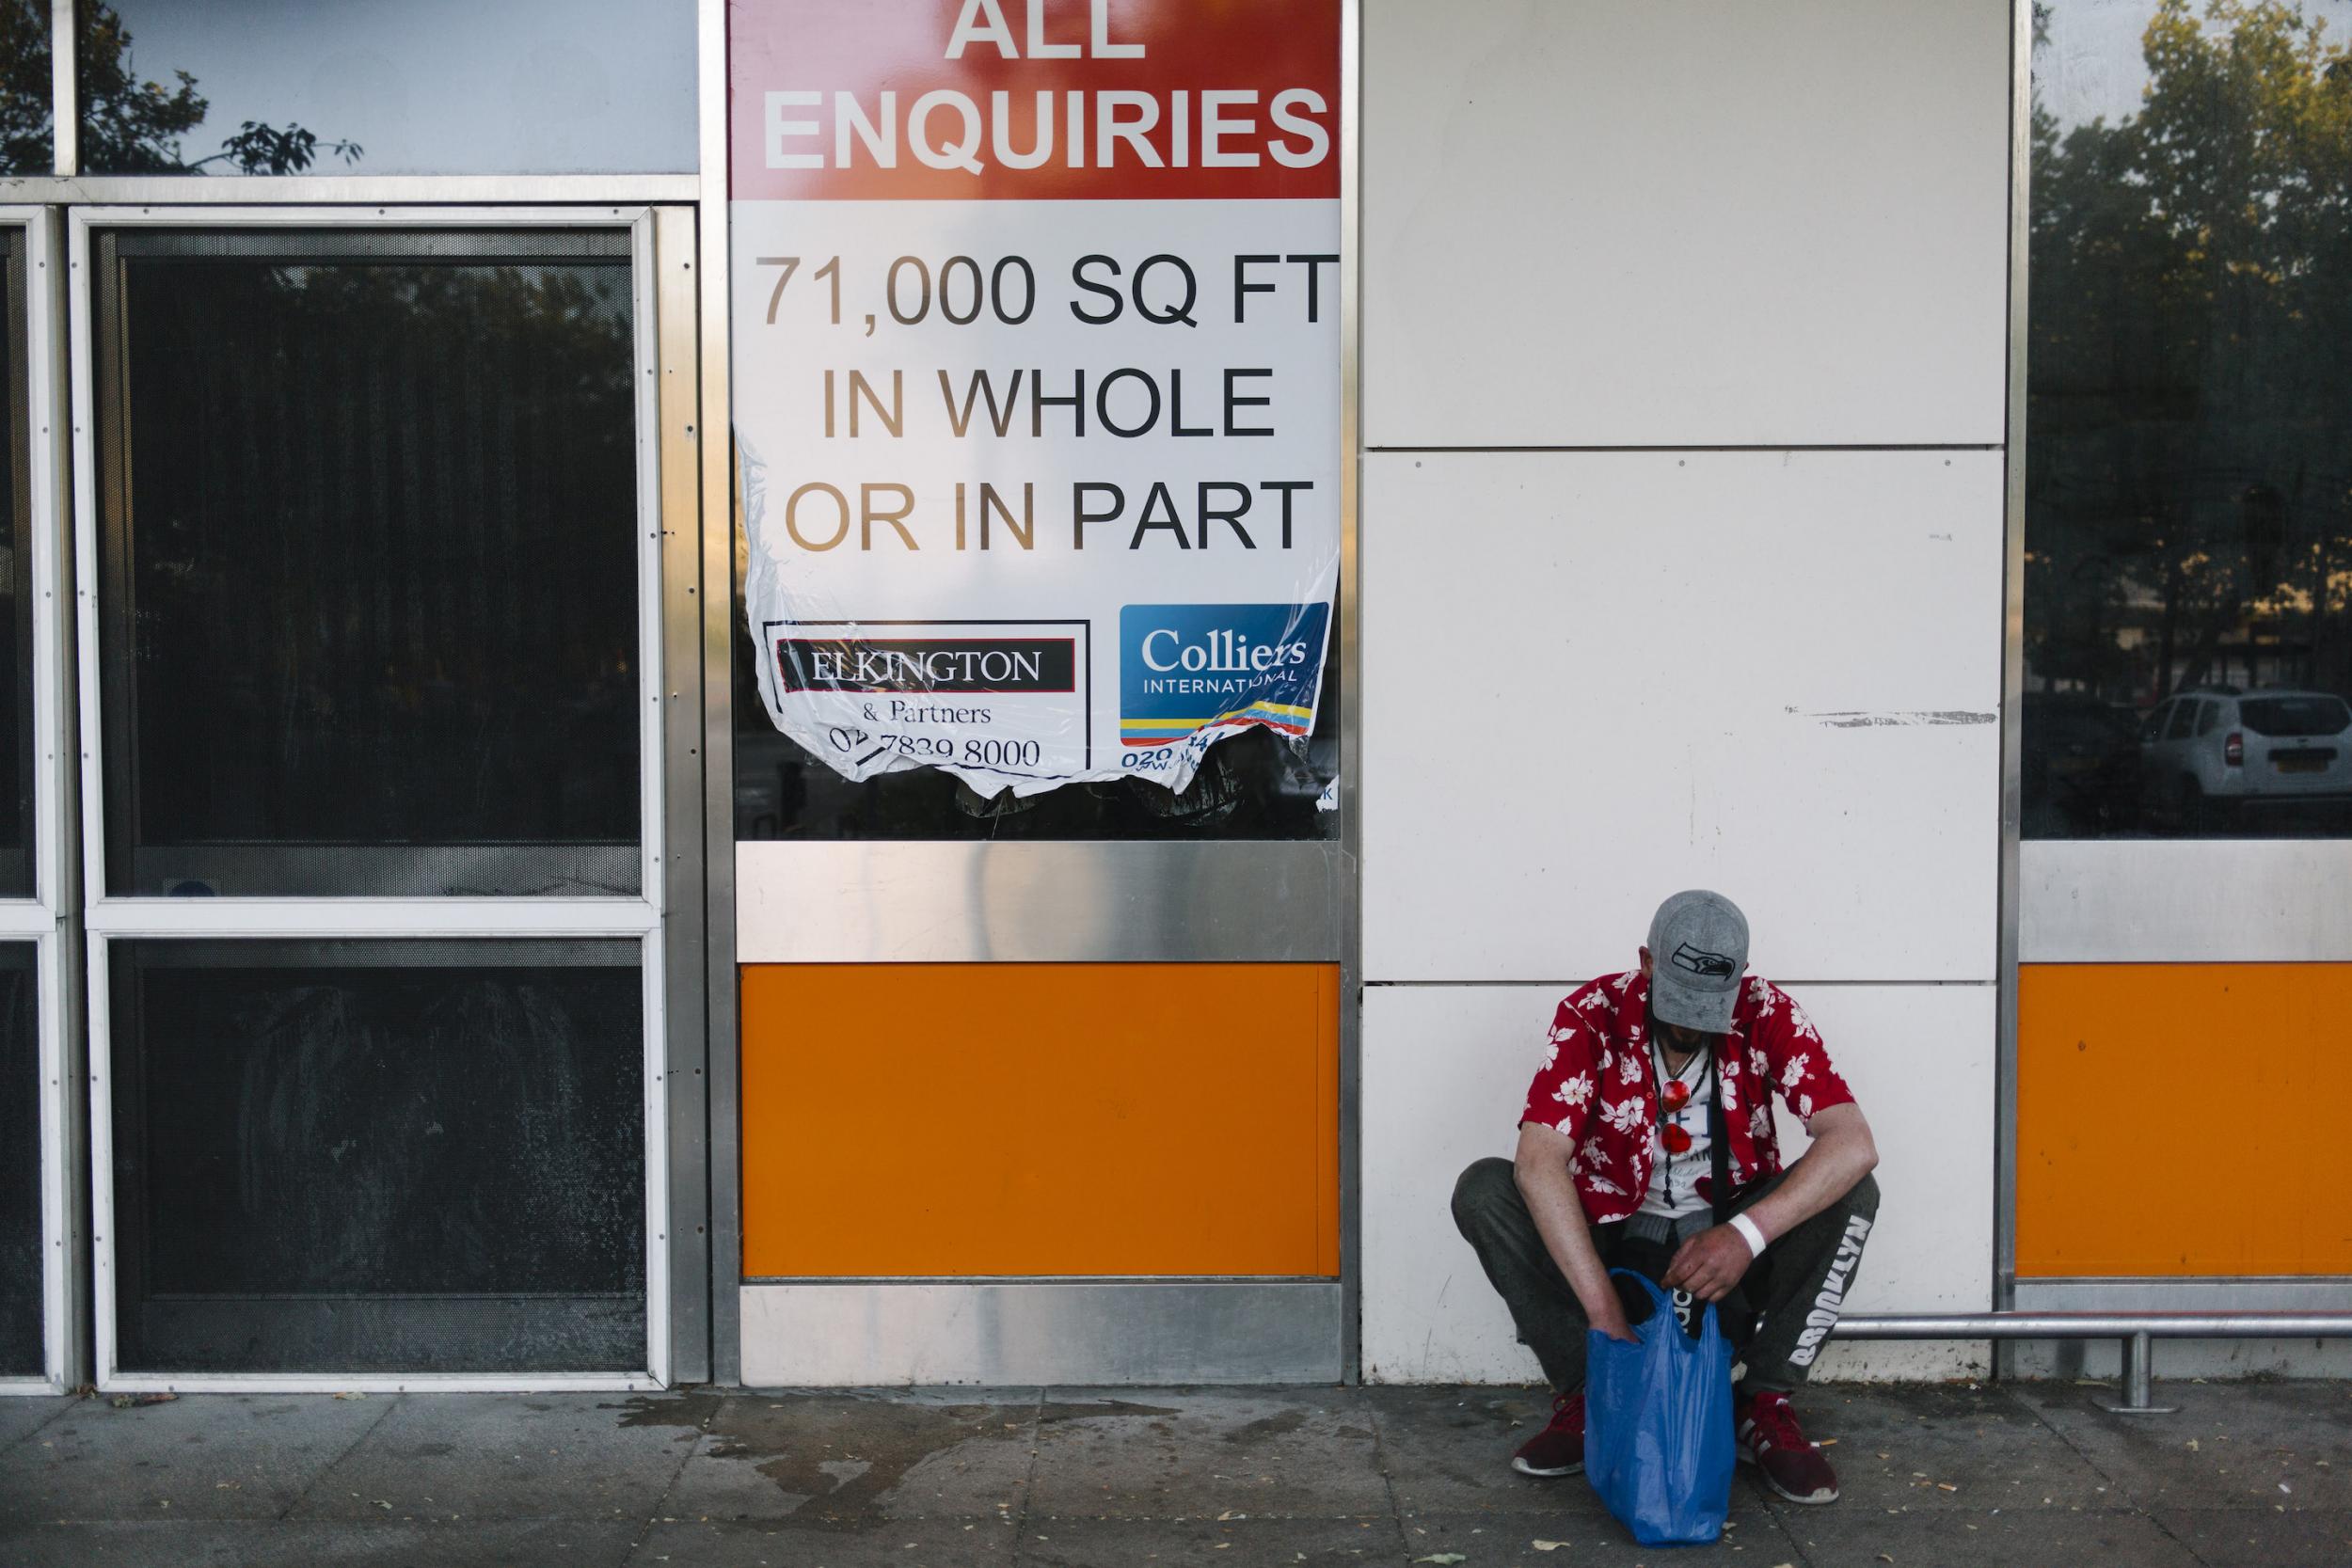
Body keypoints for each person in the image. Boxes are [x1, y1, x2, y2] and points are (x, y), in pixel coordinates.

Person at [1450, 889, 1880, 1505]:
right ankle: (1590, 1390)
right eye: (1680, 1002)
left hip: (1730, 1254)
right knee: (1485, 1190)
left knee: (1854, 1190)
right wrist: (1602, 1310)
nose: (1693, 1024)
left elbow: (1854, 1141)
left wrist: (1746, 1234)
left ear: (1740, 983)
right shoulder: (1590, 1013)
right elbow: (1539, 1160)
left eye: (1712, 1007)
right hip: (1616, 1250)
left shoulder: (1767, 1011)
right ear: (1648, 964)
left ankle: (1761, 1401)